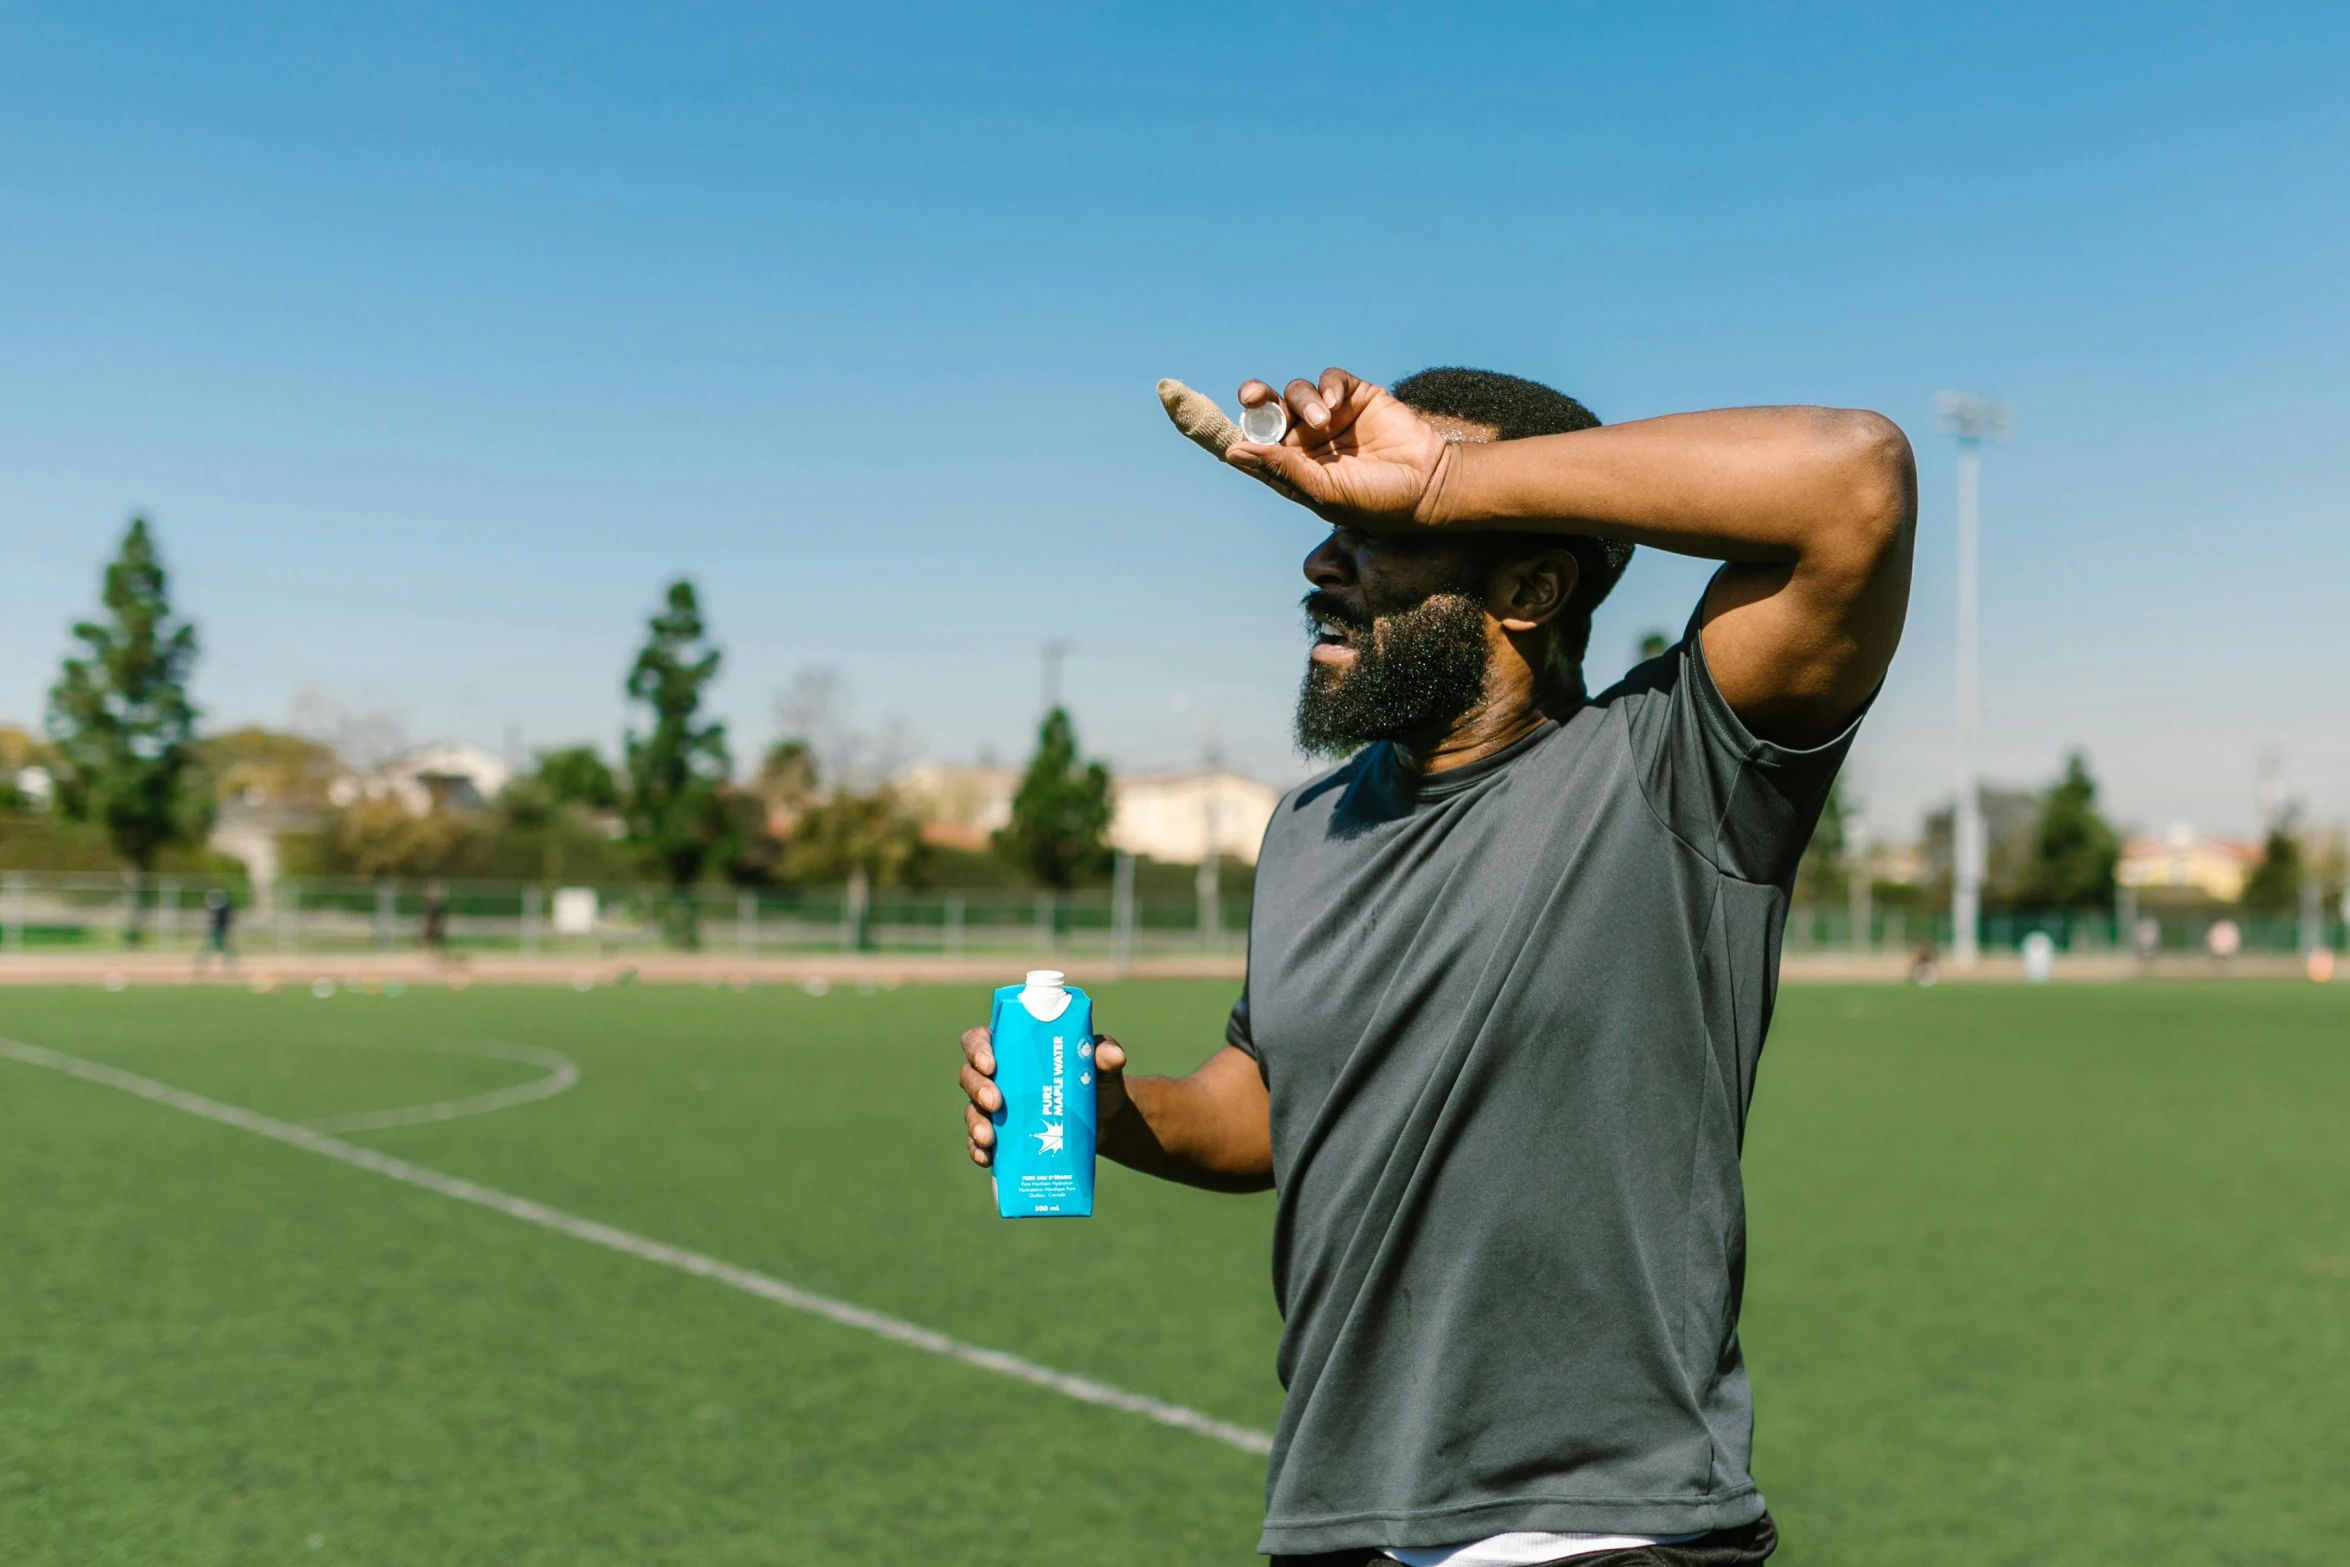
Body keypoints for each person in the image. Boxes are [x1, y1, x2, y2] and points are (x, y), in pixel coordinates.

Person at [959, 366, 1914, 1565]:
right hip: (1339, 1519)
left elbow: (1854, 478)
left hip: (1603, 1529)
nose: (1322, 563)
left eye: (1384, 531)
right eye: (1330, 527)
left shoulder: (1672, 770)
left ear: (1526, 588)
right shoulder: (1310, 826)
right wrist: (1111, 1111)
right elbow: (1265, 1101)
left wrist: (1450, 477)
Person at [193, 887, 234, 973]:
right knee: (212, 947)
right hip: (217, 930)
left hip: (219, 930)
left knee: (219, 947)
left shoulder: (222, 909)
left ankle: (227, 963)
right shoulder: (220, 908)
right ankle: (202, 963)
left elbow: (223, 919)